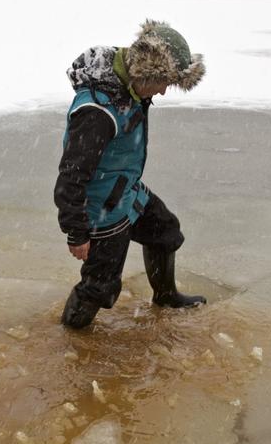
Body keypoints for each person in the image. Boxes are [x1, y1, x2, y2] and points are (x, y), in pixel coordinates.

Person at [55, 19, 207, 329]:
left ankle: (165, 295)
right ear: (144, 72)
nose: (164, 91)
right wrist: (77, 231)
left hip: (127, 190)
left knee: (165, 231)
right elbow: (71, 176)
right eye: (163, 82)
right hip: (101, 209)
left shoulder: (131, 86)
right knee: (100, 287)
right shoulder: (97, 112)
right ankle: (70, 335)